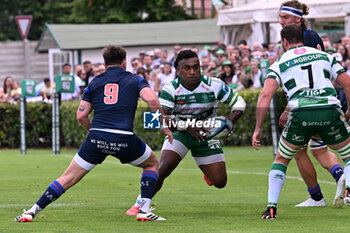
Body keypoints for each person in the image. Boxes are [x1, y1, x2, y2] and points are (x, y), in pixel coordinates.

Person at [14, 45, 173, 222]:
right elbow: (152, 99)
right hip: (123, 137)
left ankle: (32, 210)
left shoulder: (94, 82)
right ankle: (143, 210)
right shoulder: (135, 80)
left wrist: (95, 133)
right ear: (124, 62)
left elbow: (81, 115)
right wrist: (161, 125)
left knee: (67, 177)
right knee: (152, 164)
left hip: (96, 138)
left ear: (105, 64)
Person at [126, 49, 246, 215]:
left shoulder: (214, 84)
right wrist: (186, 126)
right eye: (187, 68)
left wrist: (231, 120)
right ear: (178, 70)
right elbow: (158, 119)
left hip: (206, 134)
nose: (192, 72)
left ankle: (208, 172)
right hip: (180, 132)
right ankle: (140, 203)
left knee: (220, 182)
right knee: (164, 166)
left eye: (196, 67)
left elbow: (239, 102)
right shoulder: (171, 89)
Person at [252, 24, 350, 220]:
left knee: (281, 159)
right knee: (348, 154)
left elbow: (265, 95)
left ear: (284, 42)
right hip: (328, 109)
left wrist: (257, 129)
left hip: (300, 113)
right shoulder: (325, 56)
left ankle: (271, 208)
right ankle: (348, 189)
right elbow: (347, 83)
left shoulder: (280, 62)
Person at [278, 0, 345, 208]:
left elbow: (304, 79)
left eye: (285, 17)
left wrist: (287, 108)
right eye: (280, 17)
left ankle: (316, 197)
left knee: (298, 151)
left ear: (298, 19)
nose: (280, 21)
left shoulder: (301, 39)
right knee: (319, 150)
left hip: (307, 105)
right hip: (323, 102)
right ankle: (343, 179)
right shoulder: (312, 36)